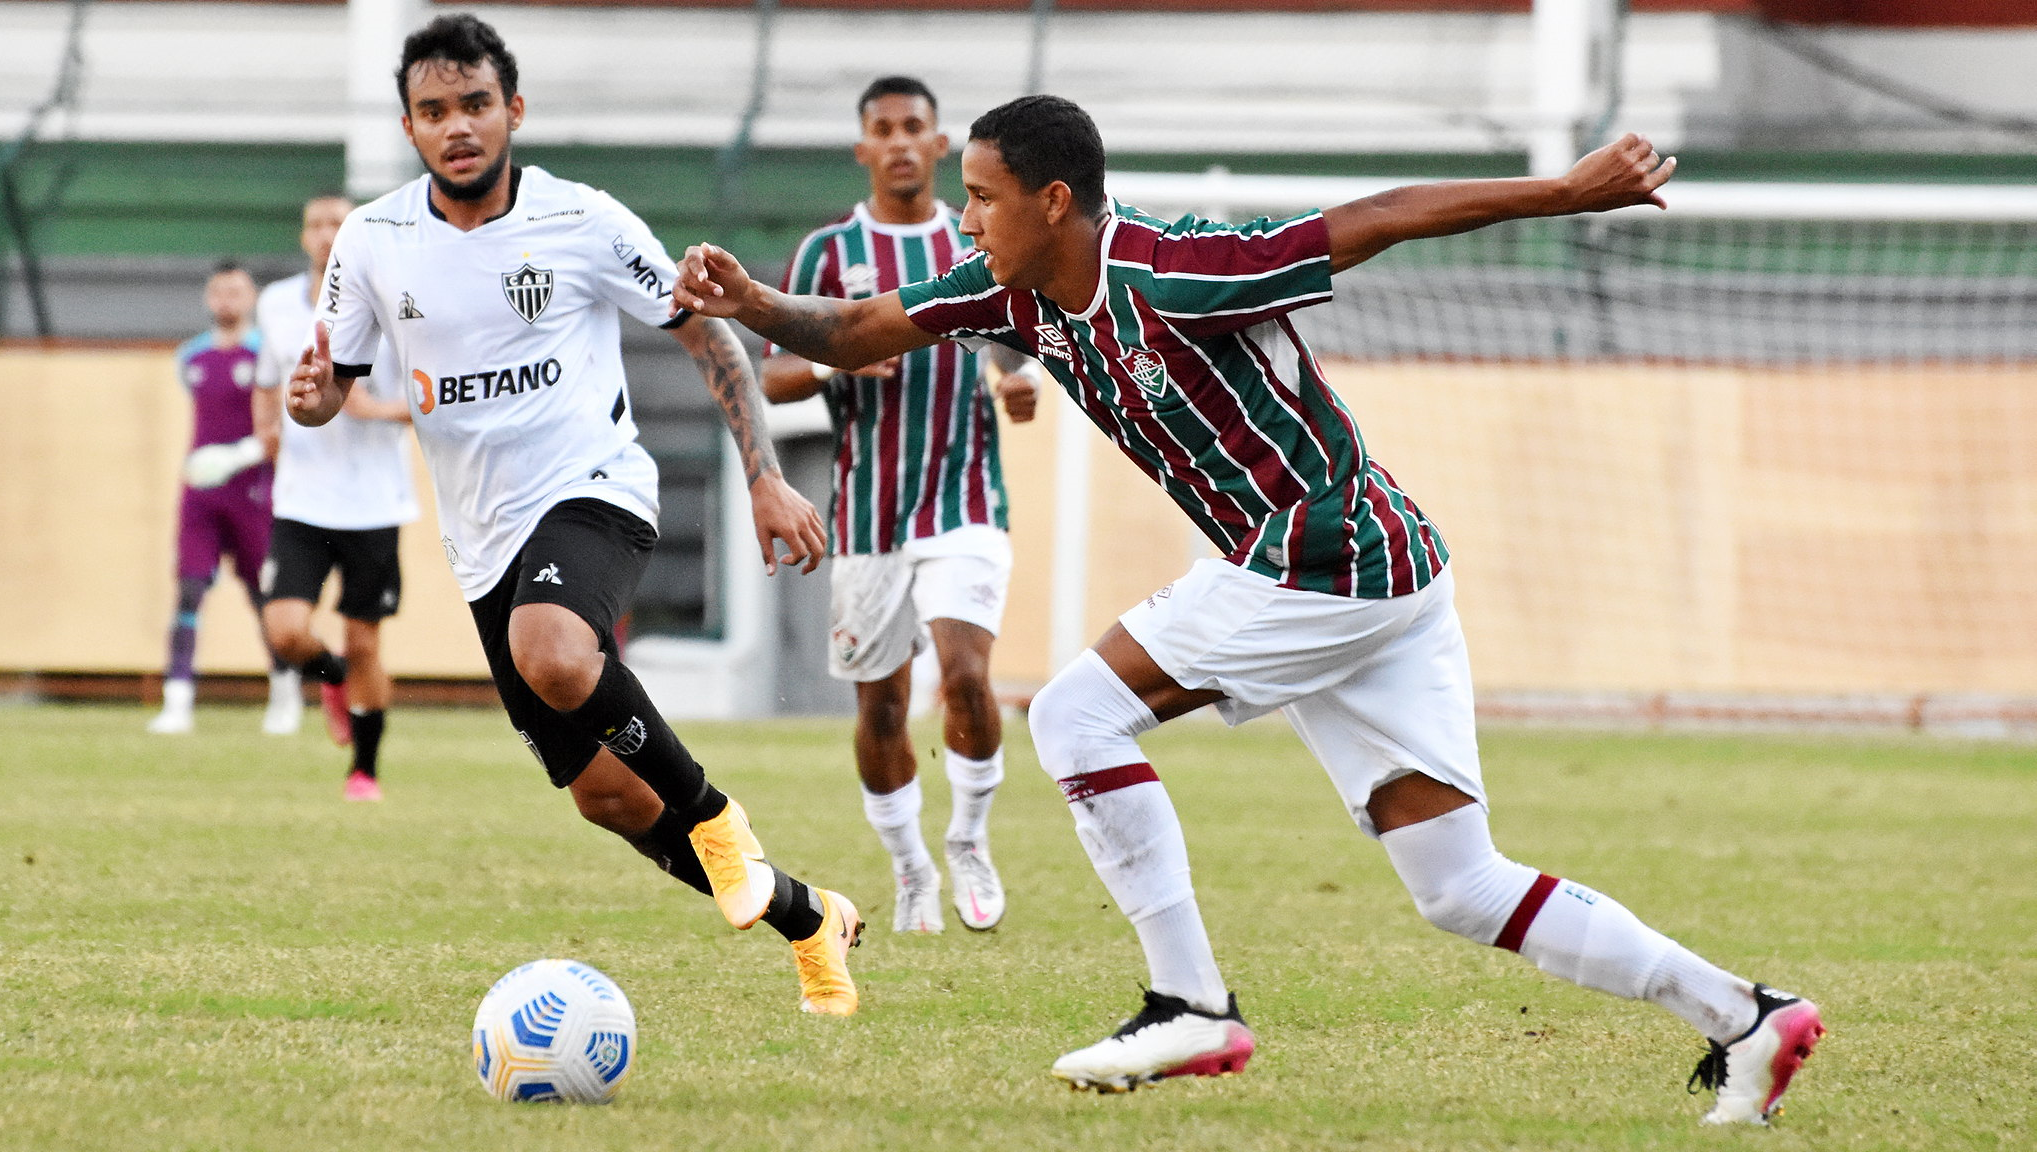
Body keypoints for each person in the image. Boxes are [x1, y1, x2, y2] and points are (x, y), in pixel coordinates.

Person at [673, 95, 1825, 1120]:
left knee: (1073, 717)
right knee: (1460, 888)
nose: (963, 219)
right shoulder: (1009, 294)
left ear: (1053, 200)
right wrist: (754, 301)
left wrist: (1568, 191)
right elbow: (857, 329)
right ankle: (1745, 1017)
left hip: (1320, 561)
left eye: (980, 198)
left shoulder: (1176, 268)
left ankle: (1190, 1002)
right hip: (1380, 577)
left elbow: (1375, 218)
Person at [286, 14, 862, 1013]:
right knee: (606, 797)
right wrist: (314, 400)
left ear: (512, 109)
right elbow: (333, 377)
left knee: (552, 653)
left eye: (474, 104)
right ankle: (807, 917)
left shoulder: (583, 219)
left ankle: (717, 821)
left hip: (593, 490)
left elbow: (706, 338)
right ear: (411, 126)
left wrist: (763, 473)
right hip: (482, 542)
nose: (457, 126)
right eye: (433, 112)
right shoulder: (373, 241)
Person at [761, 76, 1041, 935]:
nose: (898, 143)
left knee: (963, 675)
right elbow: (773, 375)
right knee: (881, 707)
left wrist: (1018, 381)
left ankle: (967, 839)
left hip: (964, 498)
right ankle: (909, 866)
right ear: (862, 149)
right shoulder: (826, 254)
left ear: (939, 142)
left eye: (913, 127)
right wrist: (833, 360)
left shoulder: (978, 236)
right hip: (868, 517)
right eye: (881, 129)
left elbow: (1012, 342)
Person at [254, 193, 419, 800]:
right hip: (301, 501)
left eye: (339, 225)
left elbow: (432, 395)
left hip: (375, 504)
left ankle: (364, 771)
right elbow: (268, 383)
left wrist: (375, 409)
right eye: (317, 224)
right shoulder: (274, 305)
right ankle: (332, 679)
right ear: (303, 236)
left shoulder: (392, 305)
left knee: (365, 640)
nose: (328, 235)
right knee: (286, 631)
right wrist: (266, 429)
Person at [149, 263, 295, 736]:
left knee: (263, 596)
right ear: (209, 298)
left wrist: (238, 456)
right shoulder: (190, 357)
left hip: (252, 493)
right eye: (219, 292)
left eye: (236, 291)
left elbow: (280, 426)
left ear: (250, 297)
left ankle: (285, 693)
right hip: (200, 495)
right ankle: (177, 701)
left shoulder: (264, 353)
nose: (227, 300)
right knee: (189, 589)